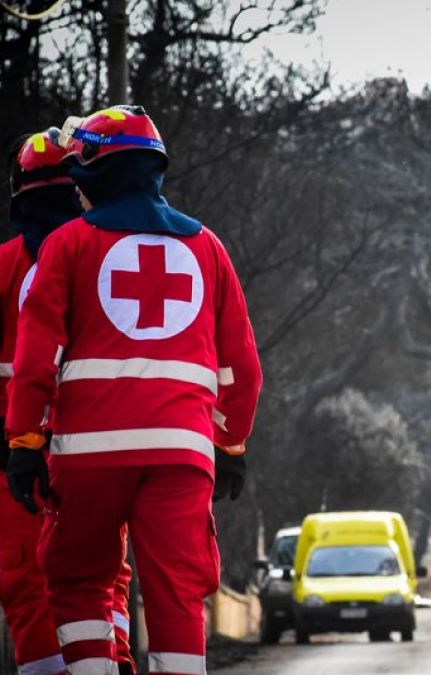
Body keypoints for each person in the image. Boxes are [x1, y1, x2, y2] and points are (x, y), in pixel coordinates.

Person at [5, 106, 263, 675]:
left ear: (95, 166)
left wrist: (25, 441)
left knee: (79, 581)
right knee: (177, 592)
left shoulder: (68, 245)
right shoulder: (209, 248)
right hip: (182, 455)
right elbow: (241, 368)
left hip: (89, 456)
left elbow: (35, 358)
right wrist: (231, 445)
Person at [1, 128, 137, 675]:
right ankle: (115, 662)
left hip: (17, 454)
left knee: (27, 577)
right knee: (108, 576)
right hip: (97, 448)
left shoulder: (10, 265)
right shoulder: (108, 258)